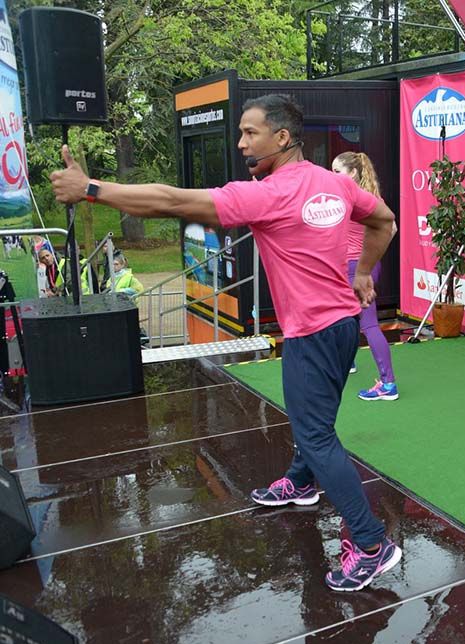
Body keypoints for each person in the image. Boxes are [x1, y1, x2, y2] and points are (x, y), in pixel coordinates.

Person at [50, 93, 400, 592]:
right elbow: (384, 220)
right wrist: (363, 272)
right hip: (342, 327)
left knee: (318, 436)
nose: (240, 143)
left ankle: (371, 544)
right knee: (313, 422)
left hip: (314, 333)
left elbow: (172, 201)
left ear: (281, 138)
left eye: (249, 133)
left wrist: (90, 188)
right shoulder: (333, 183)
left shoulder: (269, 193)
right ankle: (301, 483)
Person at [331, 151, 399, 401]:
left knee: (368, 323)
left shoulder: (351, 198)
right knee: (345, 316)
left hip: (353, 267)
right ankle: (347, 362)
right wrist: (373, 257)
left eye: (337, 171)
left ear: (353, 173)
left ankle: (388, 384)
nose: (332, 176)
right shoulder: (371, 196)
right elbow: (391, 228)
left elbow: (391, 227)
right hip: (361, 266)